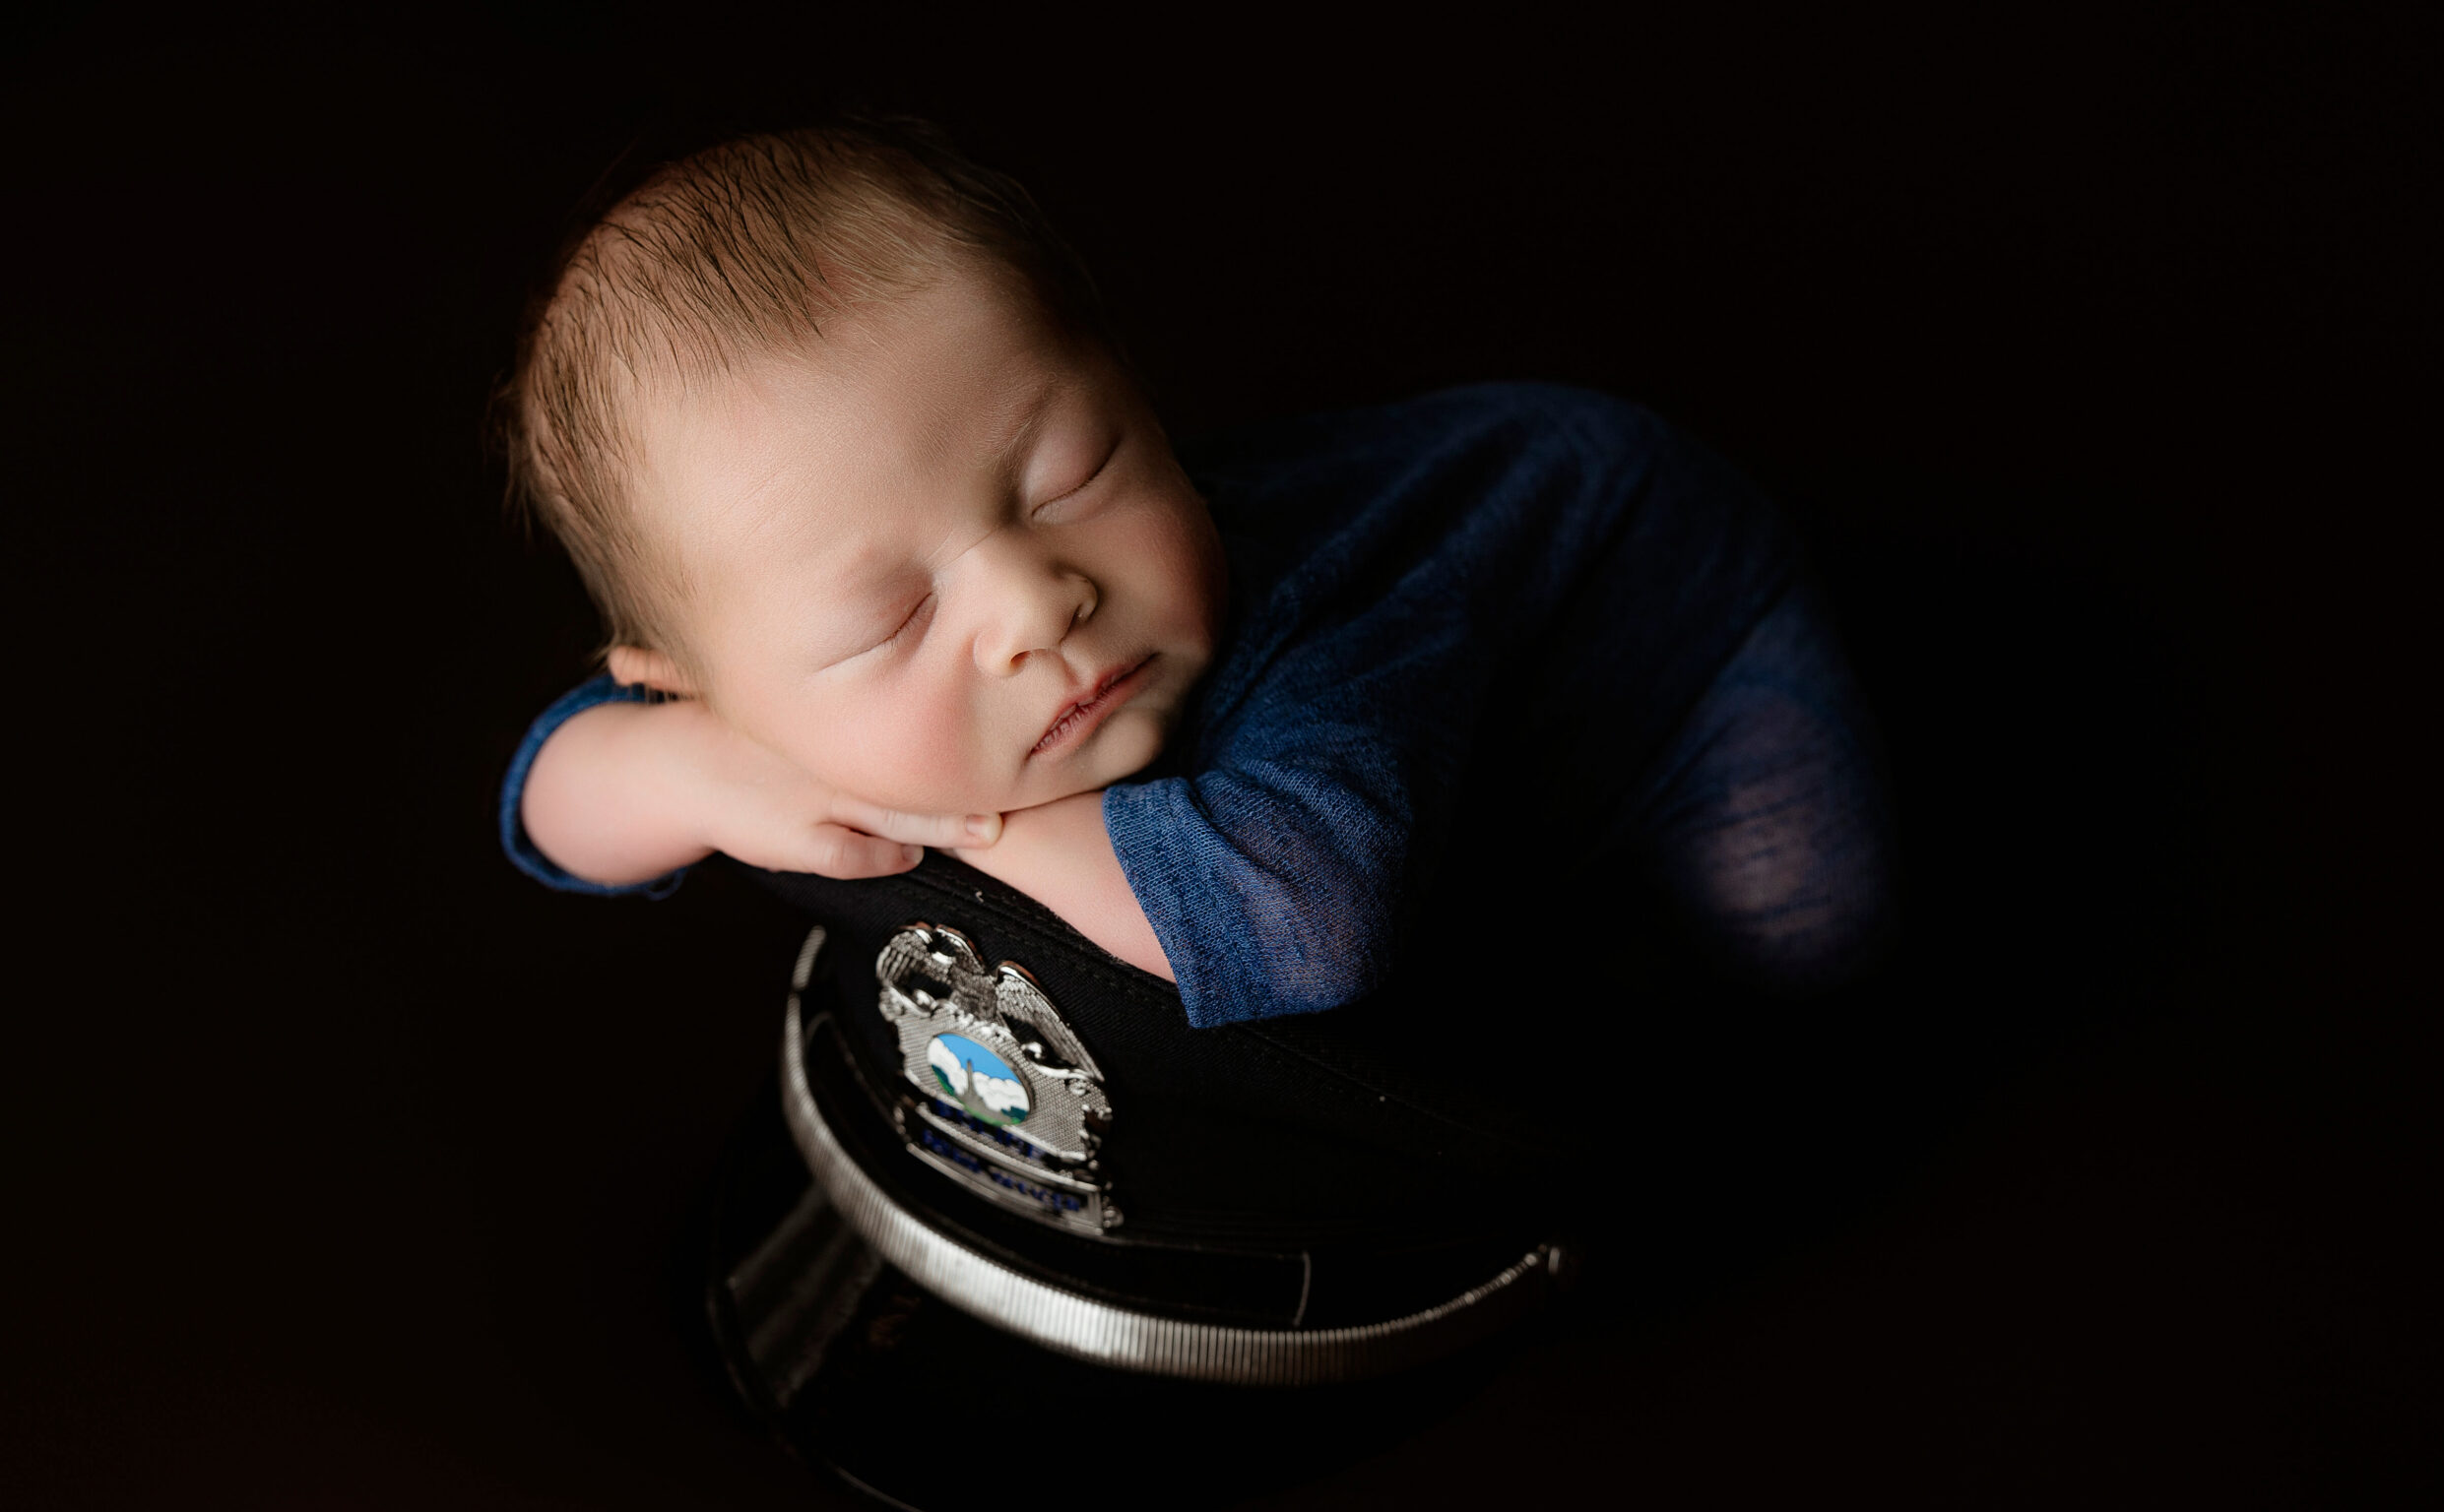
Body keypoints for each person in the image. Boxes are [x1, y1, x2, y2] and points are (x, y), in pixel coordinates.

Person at [499, 121, 1893, 1030]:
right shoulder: (724, 720)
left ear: (1143, 401)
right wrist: (693, 772)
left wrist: (950, 826)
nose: (1038, 602)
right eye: (892, 618)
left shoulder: (1320, 629)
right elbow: (560, 799)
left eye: (1071, 477)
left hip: (1664, 610)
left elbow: (1306, 925)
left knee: (1799, 949)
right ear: (696, 682)